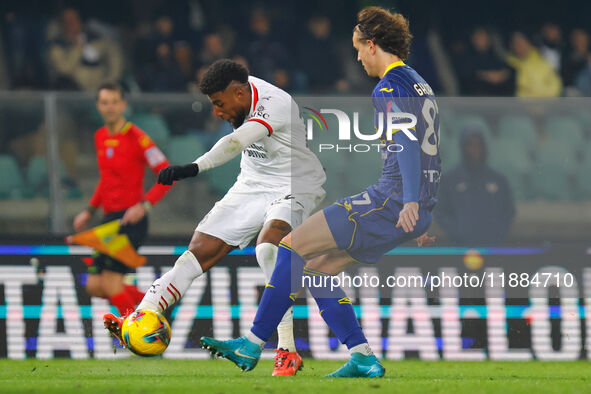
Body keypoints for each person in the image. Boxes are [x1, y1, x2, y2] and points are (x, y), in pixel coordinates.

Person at [199, 6, 440, 378]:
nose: (357, 57)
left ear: (373, 45)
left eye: (359, 48)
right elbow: (432, 151)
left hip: (389, 201)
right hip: (412, 207)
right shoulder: (419, 82)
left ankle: (251, 343)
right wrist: (422, 210)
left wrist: (408, 200)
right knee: (317, 270)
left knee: (291, 247)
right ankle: (362, 357)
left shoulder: (388, 87)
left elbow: (407, 142)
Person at [104, 59, 326, 376]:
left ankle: (286, 350)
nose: (217, 113)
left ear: (239, 93)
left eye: (220, 104)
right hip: (252, 185)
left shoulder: (275, 103)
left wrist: (192, 168)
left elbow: (234, 142)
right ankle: (142, 316)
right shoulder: (238, 94)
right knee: (194, 255)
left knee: (268, 248)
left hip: (295, 184)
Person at [73, 82, 172, 315]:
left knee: (110, 283)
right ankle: (157, 306)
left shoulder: (138, 137)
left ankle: (138, 335)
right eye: (104, 102)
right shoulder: (100, 137)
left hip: (131, 220)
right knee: (95, 286)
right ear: (98, 106)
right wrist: (89, 209)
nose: (110, 107)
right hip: (109, 220)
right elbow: (107, 180)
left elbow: (167, 173)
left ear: (123, 105)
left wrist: (145, 205)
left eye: (114, 102)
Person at [435, 128, 515, 245]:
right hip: (460, 247)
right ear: (463, 148)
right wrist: (458, 232)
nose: (475, 150)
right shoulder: (450, 180)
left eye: (478, 145)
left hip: (492, 247)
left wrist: (498, 233)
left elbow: (508, 212)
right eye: (471, 145)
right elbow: (440, 212)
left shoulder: (498, 180)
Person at [47, 8, 123, 91]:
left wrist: (109, 82)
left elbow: (116, 61)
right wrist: (77, 48)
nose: (71, 24)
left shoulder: (98, 40)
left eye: (74, 19)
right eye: (66, 21)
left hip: (102, 89)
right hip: (73, 91)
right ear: (62, 24)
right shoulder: (57, 46)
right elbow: (64, 70)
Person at [506, 31, 562, 97]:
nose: (519, 45)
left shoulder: (543, 62)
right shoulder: (508, 64)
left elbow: (555, 87)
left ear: (529, 43)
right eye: (515, 42)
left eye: (522, 41)